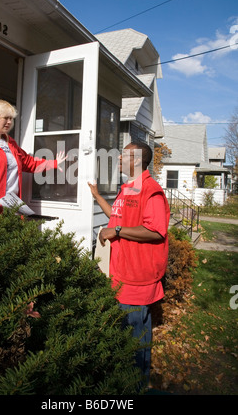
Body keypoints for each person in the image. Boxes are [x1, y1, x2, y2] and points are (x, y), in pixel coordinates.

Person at [88, 141, 170, 387]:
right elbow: (117, 215)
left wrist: (118, 231)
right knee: (132, 338)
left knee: (134, 344)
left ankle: (134, 387)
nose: (120, 160)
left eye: (123, 156)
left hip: (137, 278)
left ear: (135, 160)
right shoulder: (129, 189)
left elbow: (156, 230)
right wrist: (96, 196)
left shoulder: (150, 190)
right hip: (122, 274)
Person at [0, 99, 66, 217]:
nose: (9, 122)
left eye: (11, 118)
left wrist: (53, 163)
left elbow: (29, 162)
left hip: (8, 207)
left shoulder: (10, 143)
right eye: (5, 118)